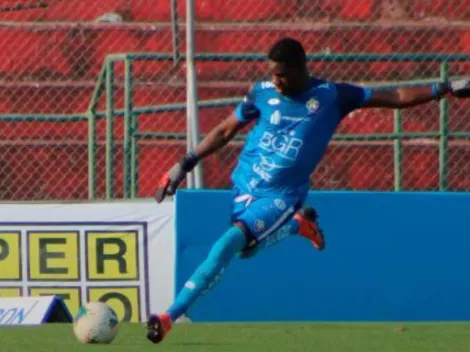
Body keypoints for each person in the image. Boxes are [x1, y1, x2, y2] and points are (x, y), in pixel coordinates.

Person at [146, 37, 470, 343]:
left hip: (282, 195)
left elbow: (393, 97)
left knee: (228, 244)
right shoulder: (260, 93)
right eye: (272, 74)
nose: (276, 82)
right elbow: (224, 129)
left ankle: (169, 315)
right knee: (247, 249)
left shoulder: (332, 96)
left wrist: (442, 88)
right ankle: (297, 226)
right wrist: (183, 165)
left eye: (282, 75)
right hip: (244, 185)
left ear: (302, 68)